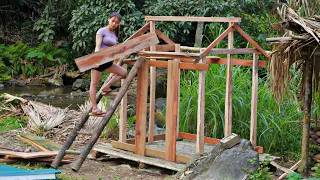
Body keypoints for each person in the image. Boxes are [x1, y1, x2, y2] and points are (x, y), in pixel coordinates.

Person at [90, 12, 127, 115]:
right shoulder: (101, 31)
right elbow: (97, 47)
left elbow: (113, 51)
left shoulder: (115, 35)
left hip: (108, 62)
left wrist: (116, 61)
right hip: (99, 62)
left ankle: (106, 86)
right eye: (113, 21)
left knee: (123, 73)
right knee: (94, 84)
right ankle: (94, 108)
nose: (114, 23)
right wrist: (96, 60)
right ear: (108, 19)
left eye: (117, 22)